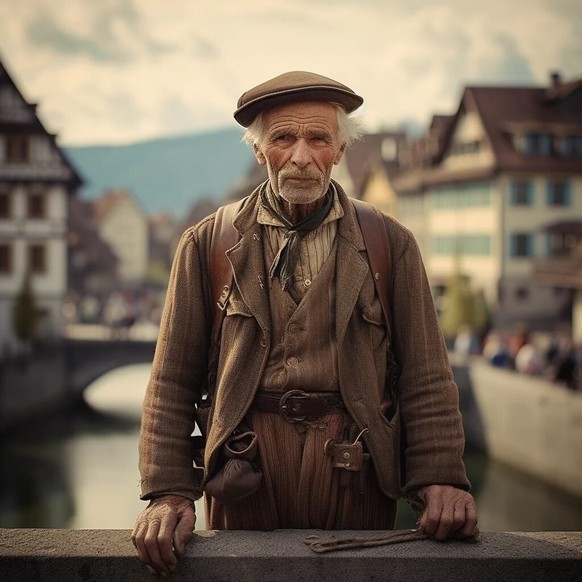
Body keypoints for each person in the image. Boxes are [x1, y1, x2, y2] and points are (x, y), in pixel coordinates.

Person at [132, 71, 477, 576]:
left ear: (339, 150)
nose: (300, 156)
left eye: (318, 138)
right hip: (244, 476)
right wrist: (168, 492)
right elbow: (170, 382)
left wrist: (441, 477)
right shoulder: (207, 244)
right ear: (258, 151)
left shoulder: (390, 244)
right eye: (283, 138)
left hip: (355, 477)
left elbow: (426, 376)